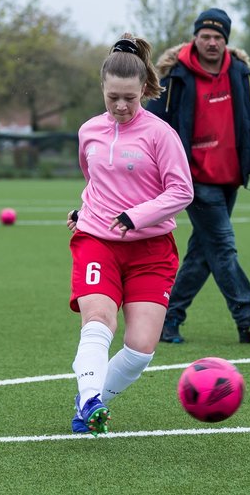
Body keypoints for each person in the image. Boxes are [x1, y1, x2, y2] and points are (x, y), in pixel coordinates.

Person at [65, 35, 194, 435]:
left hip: (152, 250)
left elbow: (182, 191)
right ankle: (90, 401)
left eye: (129, 99)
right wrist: (84, 212)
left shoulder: (160, 134)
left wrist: (135, 217)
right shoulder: (89, 131)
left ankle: (92, 395)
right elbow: (95, 183)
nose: (121, 106)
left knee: (139, 349)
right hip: (97, 242)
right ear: (102, 89)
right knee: (99, 320)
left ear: (144, 91)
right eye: (113, 98)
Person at [145, 8, 250, 345]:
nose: (211, 42)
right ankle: (248, 319)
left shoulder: (242, 75)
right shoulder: (175, 77)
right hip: (192, 178)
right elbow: (153, 125)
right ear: (195, 37)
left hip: (230, 178)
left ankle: (166, 319)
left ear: (226, 41)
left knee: (204, 253)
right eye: (205, 36)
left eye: (218, 37)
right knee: (223, 247)